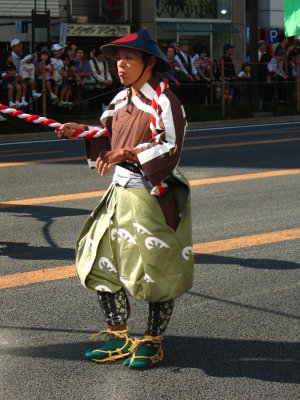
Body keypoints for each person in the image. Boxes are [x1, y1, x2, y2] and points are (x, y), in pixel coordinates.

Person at [57, 29, 194, 369]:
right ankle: (118, 336)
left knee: (155, 269)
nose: (120, 64)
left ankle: (152, 341)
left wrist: (126, 153)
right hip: (118, 192)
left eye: (128, 57)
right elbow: (106, 134)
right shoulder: (120, 100)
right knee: (97, 255)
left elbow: (169, 146)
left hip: (149, 194)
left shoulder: (165, 101)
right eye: (117, 58)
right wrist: (81, 130)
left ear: (149, 62)